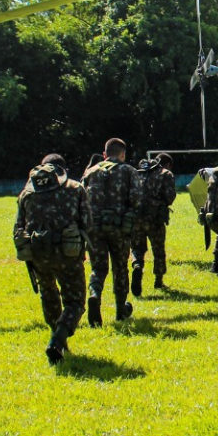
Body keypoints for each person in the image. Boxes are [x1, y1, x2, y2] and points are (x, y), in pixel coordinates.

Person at [13, 154, 89, 363]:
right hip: (68, 254)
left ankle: (59, 341)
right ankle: (57, 340)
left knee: (48, 295)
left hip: (38, 255)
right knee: (75, 302)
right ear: (62, 171)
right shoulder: (75, 189)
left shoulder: (27, 193)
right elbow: (87, 221)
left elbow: (19, 227)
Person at [83, 138, 140, 322]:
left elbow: (80, 200)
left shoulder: (90, 172)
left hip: (94, 229)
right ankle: (120, 310)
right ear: (122, 154)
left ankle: (94, 295)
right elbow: (137, 199)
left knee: (98, 268)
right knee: (120, 268)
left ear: (105, 153)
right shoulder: (129, 171)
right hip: (119, 229)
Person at [131, 153, 179, 295]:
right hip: (155, 218)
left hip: (137, 217)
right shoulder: (166, 174)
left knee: (137, 248)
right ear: (168, 164)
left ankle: (137, 265)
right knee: (158, 250)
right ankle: (158, 281)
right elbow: (170, 197)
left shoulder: (138, 172)